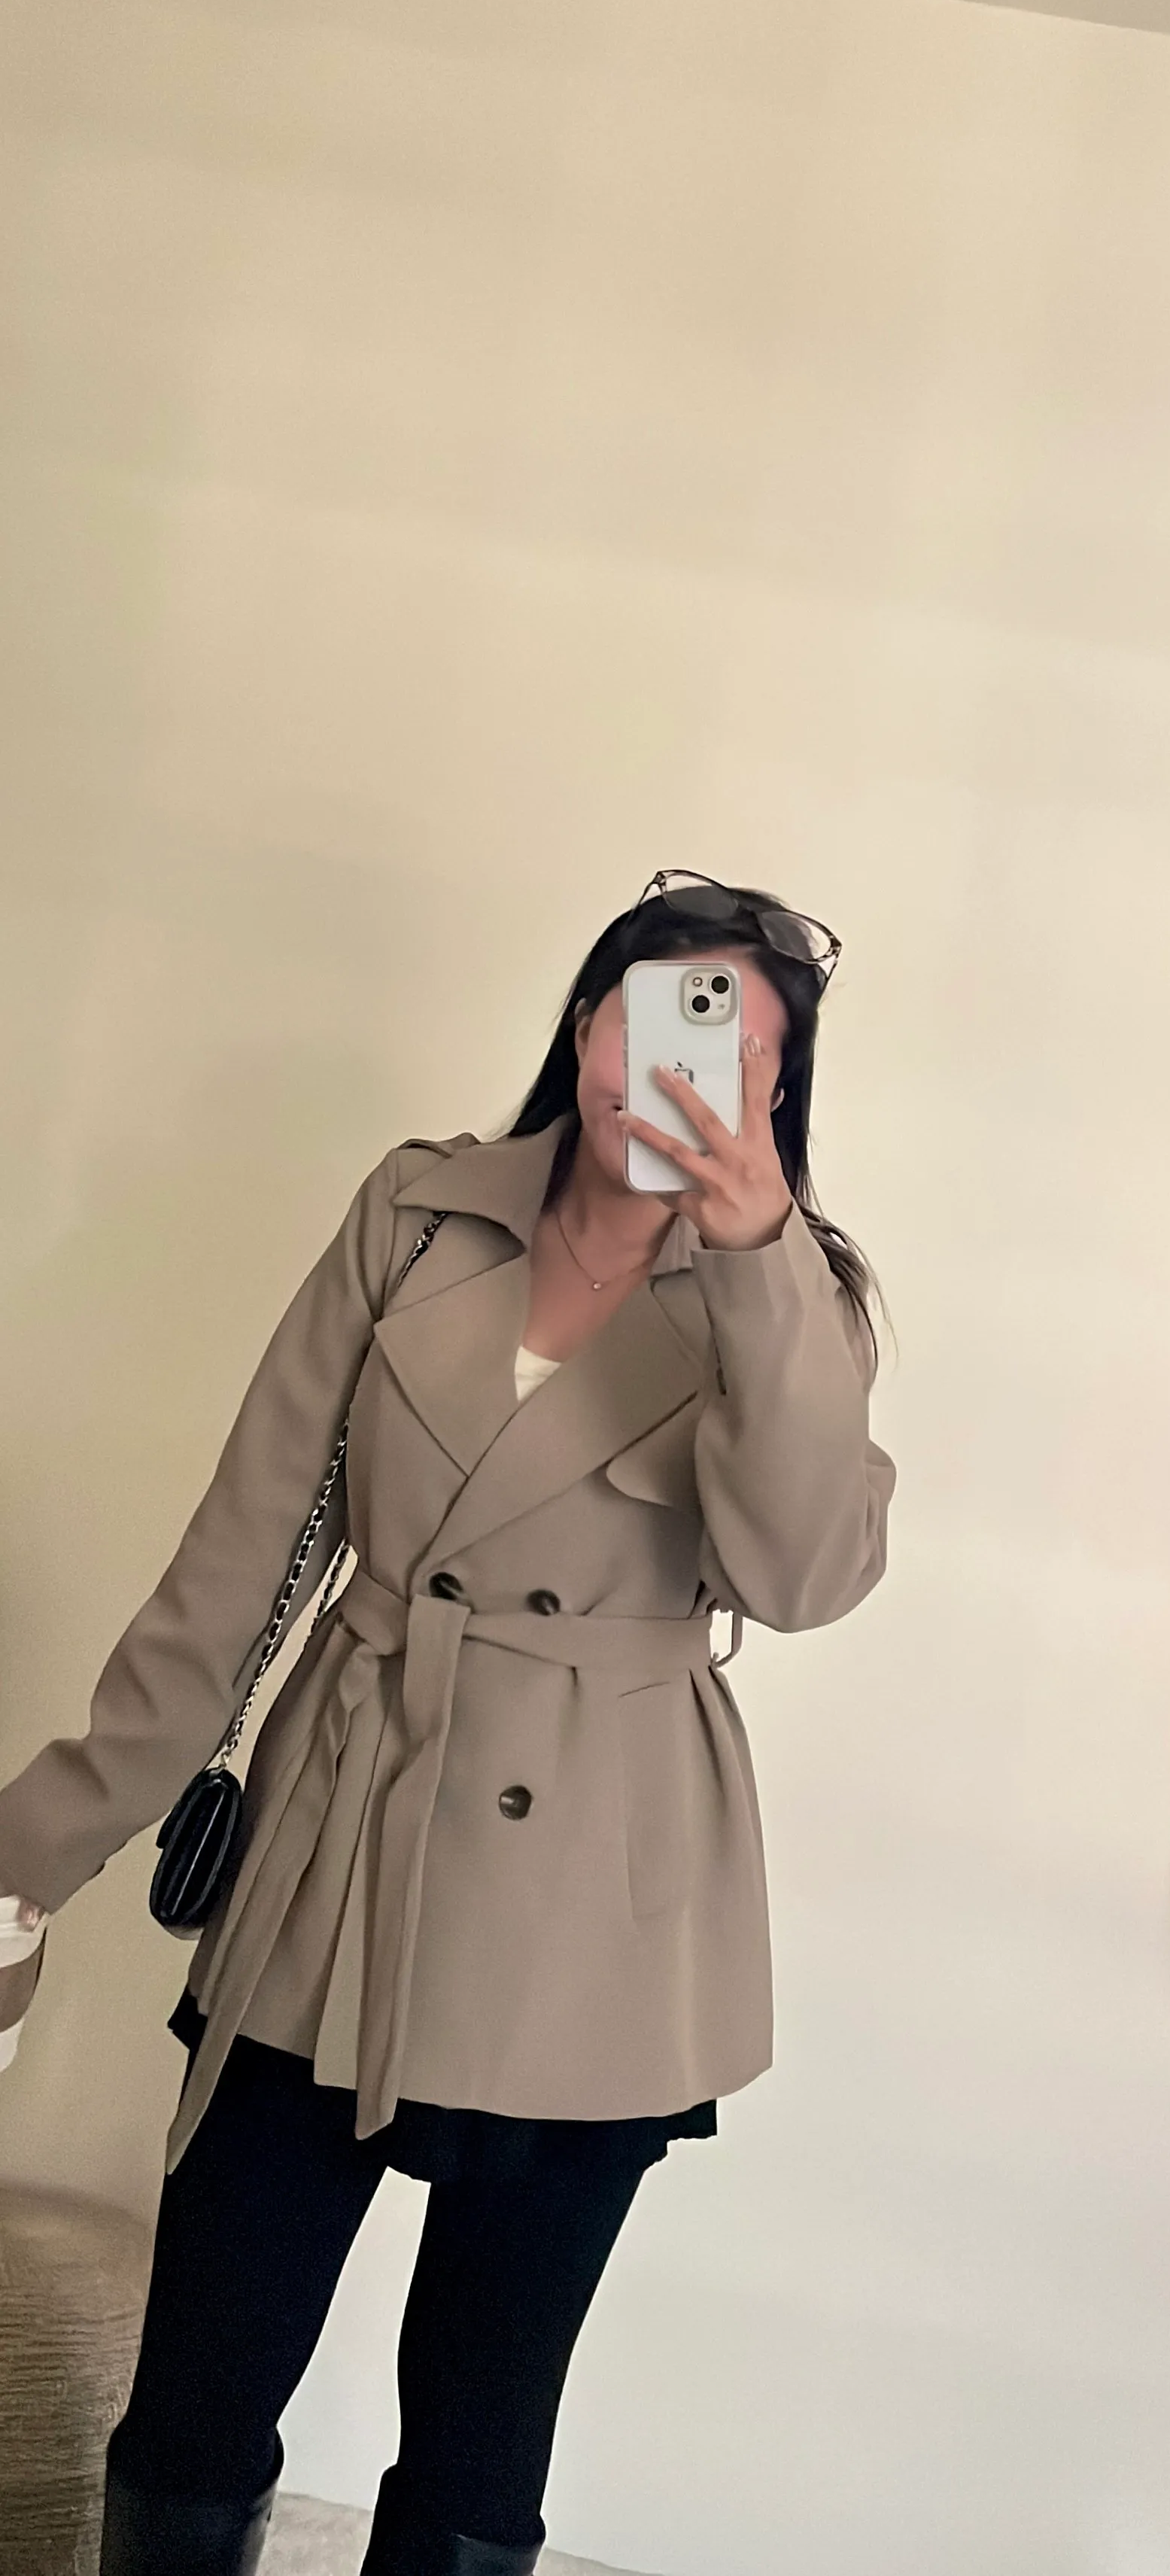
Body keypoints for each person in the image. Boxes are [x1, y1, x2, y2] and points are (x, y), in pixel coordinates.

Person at [0, 870, 895, 2576]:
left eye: (737, 1050)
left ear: (777, 1094)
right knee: (195, 2395)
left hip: (597, 1910)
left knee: (480, 2445)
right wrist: (36, 1841)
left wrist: (758, 1257)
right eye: (653, 1014)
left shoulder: (795, 1302)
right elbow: (239, 1552)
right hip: (341, 1838)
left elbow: (802, 1575)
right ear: (588, 1022)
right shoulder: (417, 1216)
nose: (677, 1066)